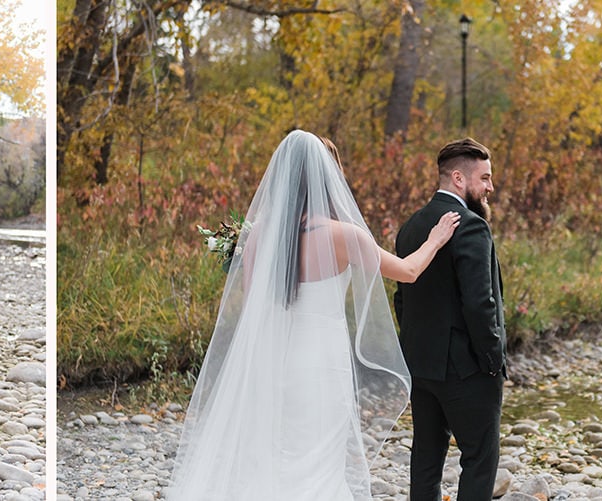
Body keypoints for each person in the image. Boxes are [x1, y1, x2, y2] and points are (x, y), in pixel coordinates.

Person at [167, 130, 459, 499]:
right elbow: (408, 271)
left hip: (276, 358)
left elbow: (255, 301)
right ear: (327, 180)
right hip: (321, 360)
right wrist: (434, 239)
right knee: (319, 456)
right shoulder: (344, 235)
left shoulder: (258, 237)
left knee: (278, 451)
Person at [394, 137, 506, 501]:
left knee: (426, 458)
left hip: (422, 367)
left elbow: (402, 298)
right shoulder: (471, 226)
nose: (490, 187)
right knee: (479, 459)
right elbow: (480, 304)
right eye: (485, 178)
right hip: (467, 369)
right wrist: (493, 361)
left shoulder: (411, 226)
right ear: (459, 178)